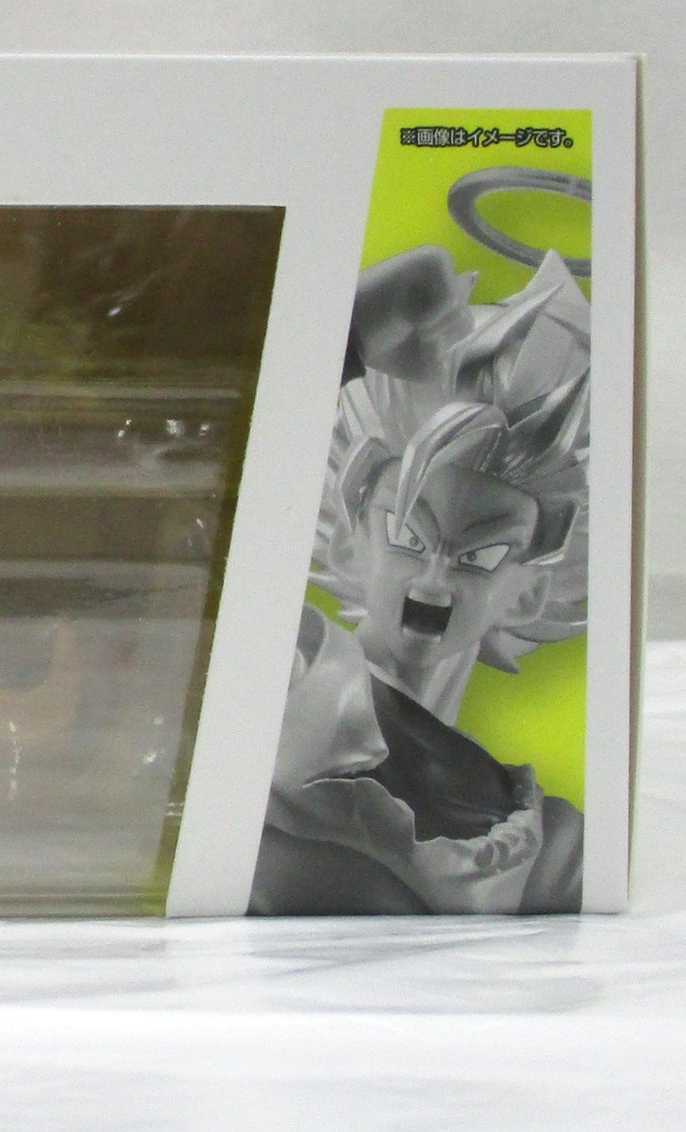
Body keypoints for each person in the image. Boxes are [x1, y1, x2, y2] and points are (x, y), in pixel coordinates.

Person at [251, 245, 589, 914]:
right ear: (350, 546)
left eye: (480, 555)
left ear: (529, 593)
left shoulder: (550, 845)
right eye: (408, 537)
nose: (435, 578)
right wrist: (349, 331)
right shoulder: (287, 682)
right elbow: (200, 448)